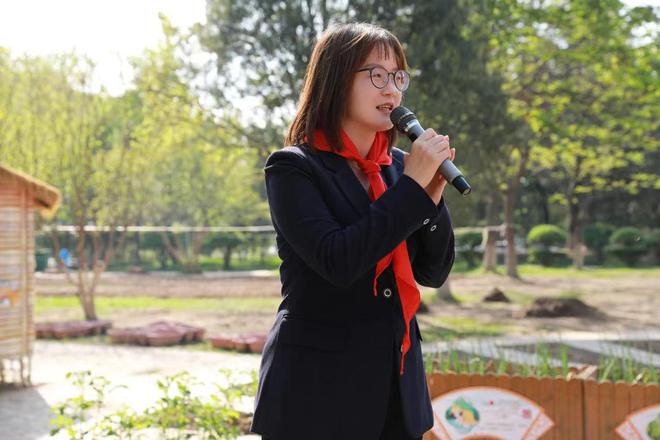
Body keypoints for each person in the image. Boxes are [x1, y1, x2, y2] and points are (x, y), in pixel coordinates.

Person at [251, 22, 455, 440]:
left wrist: (430, 201)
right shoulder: (293, 168)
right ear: (335, 80)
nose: (391, 90)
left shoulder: (401, 167)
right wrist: (412, 192)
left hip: (398, 393)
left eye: (398, 77)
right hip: (316, 396)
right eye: (376, 75)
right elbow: (338, 260)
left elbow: (433, 273)